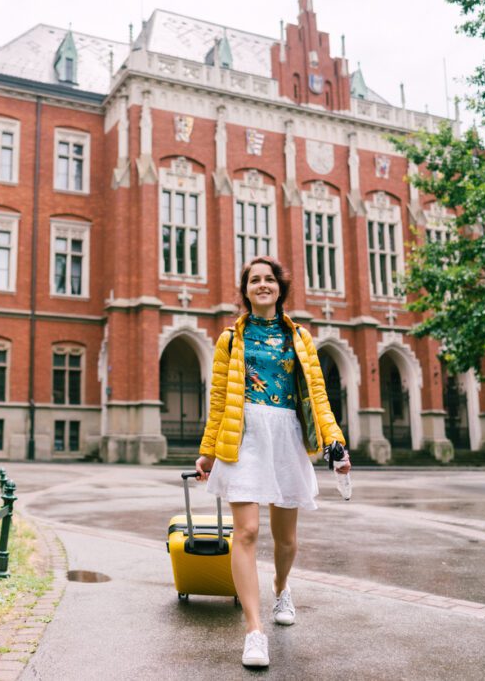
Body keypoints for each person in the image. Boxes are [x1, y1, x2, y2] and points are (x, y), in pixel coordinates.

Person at [195, 256, 350, 668]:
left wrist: (336, 443)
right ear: (245, 291)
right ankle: (254, 631)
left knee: (285, 539)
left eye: (269, 280)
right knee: (245, 531)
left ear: (280, 288)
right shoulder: (229, 339)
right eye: (254, 280)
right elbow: (217, 403)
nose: (262, 285)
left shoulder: (300, 338)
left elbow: (318, 396)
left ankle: (282, 587)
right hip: (242, 436)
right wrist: (208, 452)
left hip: (287, 435)